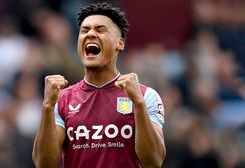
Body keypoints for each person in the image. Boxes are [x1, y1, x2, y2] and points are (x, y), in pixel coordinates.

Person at [32, 2, 166, 168]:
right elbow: (44, 164)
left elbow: (154, 162)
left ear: (120, 43)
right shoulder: (61, 100)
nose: (90, 34)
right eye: (85, 30)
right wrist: (47, 106)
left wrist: (138, 104)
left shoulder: (145, 96)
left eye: (100, 29)